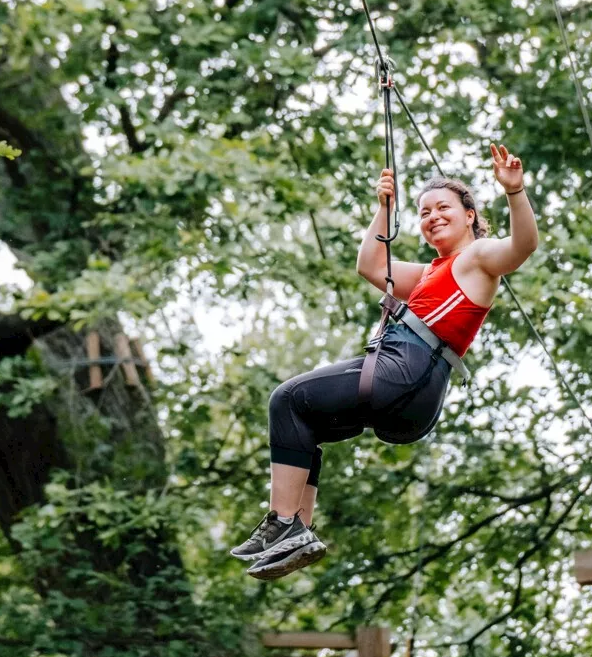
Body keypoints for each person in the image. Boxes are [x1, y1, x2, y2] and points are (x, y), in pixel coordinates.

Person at [231, 143, 539, 579]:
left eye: (442, 208)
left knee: (287, 399)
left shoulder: (477, 258)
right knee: (305, 423)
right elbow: (370, 264)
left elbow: (523, 245)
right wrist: (384, 209)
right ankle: (296, 528)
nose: (432, 217)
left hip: (404, 374)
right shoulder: (432, 271)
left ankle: (284, 522)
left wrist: (515, 191)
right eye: (424, 212)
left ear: (469, 215)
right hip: (414, 394)